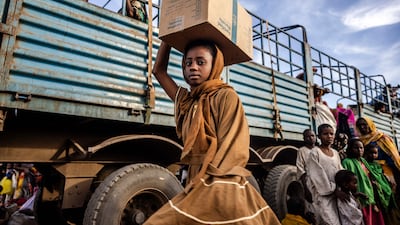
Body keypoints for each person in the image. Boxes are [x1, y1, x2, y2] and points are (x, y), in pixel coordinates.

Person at [143, 40, 281, 224]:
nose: (193, 67)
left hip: (219, 176)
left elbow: (232, 145)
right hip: (195, 175)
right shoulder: (187, 100)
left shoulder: (226, 96)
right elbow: (158, 72)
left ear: (215, 65)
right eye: (188, 62)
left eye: (201, 62)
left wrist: (210, 182)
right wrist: (168, 38)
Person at [303, 123, 342, 225]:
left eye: (331, 134)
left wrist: (343, 187)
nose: (329, 136)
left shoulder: (335, 153)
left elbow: (340, 172)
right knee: (329, 221)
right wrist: (333, 190)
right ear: (319, 136)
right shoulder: (315, 153)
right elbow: (318, 176)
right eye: (325, 134)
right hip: (323, 195)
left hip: (337, 193)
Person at [342, 138, 385, 225]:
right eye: (356, 148)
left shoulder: (363, 161)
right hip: (359, 197)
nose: (359, 150)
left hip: (370, 196)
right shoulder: (347, 162)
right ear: (350, 148)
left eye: (361, 148)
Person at [356, 117, 400, 201]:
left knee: (390, 193)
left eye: (364, 124)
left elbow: (393, 156)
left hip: (385, 170)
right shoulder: (360, 141)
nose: (362, 127)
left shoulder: (381, 138)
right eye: (359, 125)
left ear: (370, 125)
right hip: (368, 170)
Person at [364, 143, 400, 225]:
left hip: (386, 189)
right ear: (366, 153)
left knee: (392, 212)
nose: (373, 155)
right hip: (377, 191)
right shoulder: (365, 165)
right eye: (371, 153)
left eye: (375, 153)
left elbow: (382, 176)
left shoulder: (378, 165)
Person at [296, 129, 318, 211]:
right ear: (304, 139)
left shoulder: (318, 150)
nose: (311, 138)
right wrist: (306, 188)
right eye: (308, 137)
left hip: (320, 182)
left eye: (312, 136)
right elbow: (300, 169)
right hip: (309, 182)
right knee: (312, 208)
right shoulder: (302, 151)